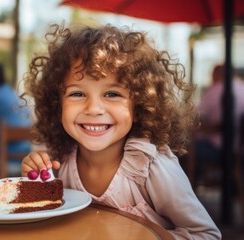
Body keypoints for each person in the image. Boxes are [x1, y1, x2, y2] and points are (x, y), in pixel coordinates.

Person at [21, 24, 221, 239]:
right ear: (57, 104)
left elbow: (206, 234)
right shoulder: (64, 162)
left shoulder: (151, 167)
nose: (94, 109)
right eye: (77, 94)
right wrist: (37, 184)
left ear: (140, 105)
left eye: (112, 94)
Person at [196, 65, 244, 165]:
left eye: (212, 75)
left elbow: (195, 115)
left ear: (217, 74)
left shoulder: (217, 89)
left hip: (220, 148)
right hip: (239, 151)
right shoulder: (242, 87)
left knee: (181, 150)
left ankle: (195, 179)